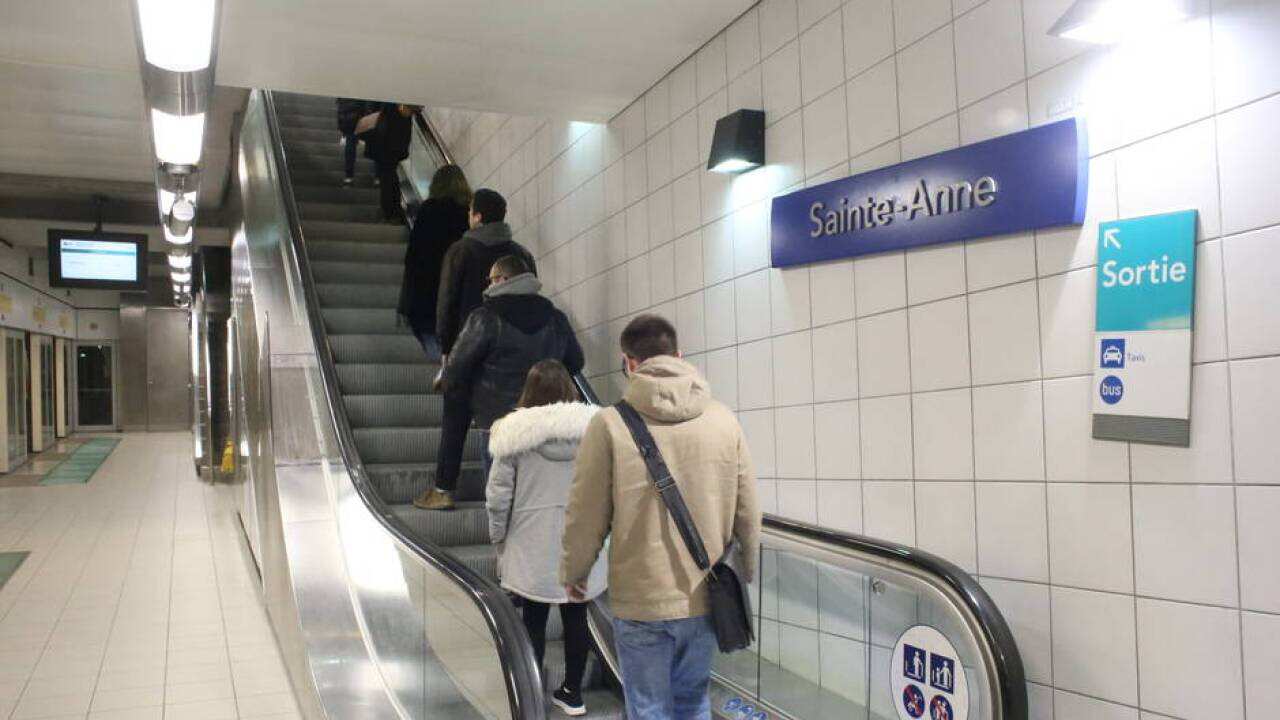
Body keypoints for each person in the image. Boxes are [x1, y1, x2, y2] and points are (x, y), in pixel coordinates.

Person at [560, 314, 761, 720]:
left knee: (648, 707)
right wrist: (748, 568)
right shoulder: (723, 420)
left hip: (641, 600)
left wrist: (575, 571)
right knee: (693, 702)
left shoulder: (609, 425)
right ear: (679, 356)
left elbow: (586, 512)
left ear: (629, 363)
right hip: (706, 593)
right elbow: (748, 508)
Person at [485, 360, 607, 717]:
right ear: (570, 390)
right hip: (581, 542)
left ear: (530, 391)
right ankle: (573, 693)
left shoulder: (512, 436)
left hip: (531, 544)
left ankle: (532, 692)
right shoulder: (595, 432)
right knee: (576, 616)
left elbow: (498, 497)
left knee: (534, 620)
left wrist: (498, 538)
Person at [415, 255, 582, 511]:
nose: (488, 285)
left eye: (491, 280)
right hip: (545, 420)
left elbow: (457, 367)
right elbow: (576, 361)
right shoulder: (555, 317)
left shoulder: (485, 317)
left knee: (500, 496)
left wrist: (445, 380)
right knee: (537, 494)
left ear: (503, 280)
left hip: (496, 420)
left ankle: (445, 491)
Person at [434, 188, 536, 359]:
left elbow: (447, 301)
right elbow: (532, 300)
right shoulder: (523, 254)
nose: (468, 214)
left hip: (469, 346)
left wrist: (445, 347)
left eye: (470, 210)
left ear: (478, 217)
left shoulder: (460, 252)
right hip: (514, 348)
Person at [397, 164, 471, 361]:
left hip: (427, 294)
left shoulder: (429, 210)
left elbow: (413, 255)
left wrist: (406, 300)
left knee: (434, 342)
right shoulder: (470, 214)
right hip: (460, 295)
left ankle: (445, 369)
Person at [365, 102, 418, 223]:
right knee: (390, 175)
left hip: (386, 142)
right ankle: (393, 211)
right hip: (393, 142)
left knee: (387, 177)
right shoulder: (396, 105)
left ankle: (390, 212)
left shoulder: (394, 104)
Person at [335, 98, 369, 186]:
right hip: (356, 112)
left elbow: (340, 103)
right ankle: (378, 178)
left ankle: (349, 177)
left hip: (347, 114)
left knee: (350, 143)